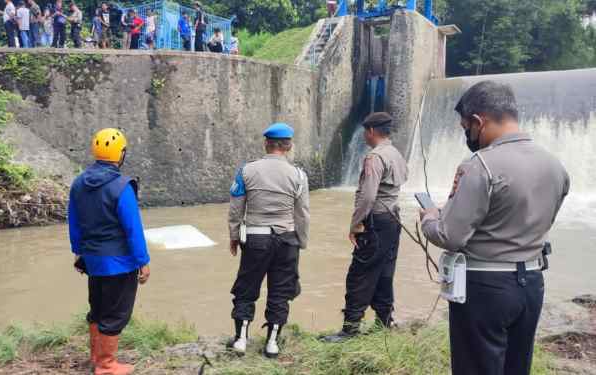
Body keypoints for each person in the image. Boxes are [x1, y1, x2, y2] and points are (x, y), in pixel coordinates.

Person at [420, 81, 570, 375]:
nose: (467, 135)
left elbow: (450, 235)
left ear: (479, 121)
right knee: (516, 367)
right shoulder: (555, 166)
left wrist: (429, 216)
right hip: (532, 284)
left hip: (485, 288)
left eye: (466, 128)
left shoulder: (480, 165)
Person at [320, 112, 408, 343]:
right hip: (393, 220)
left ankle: (349, 330)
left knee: (359, 275)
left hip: (376, 222)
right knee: (384, 274)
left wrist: (355, 224)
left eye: (364, 132)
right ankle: (384, 322)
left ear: (371, 131)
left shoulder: (375, 157)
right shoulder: (396, 154)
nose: (363, 136)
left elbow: (368, 197)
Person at [69, 128, 151, 375]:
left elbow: (74, 220)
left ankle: (96, 358)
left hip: (93, 259)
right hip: (119, 262)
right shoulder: (121, 186)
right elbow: (132, 228)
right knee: (116, 314)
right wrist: (143, 261)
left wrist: (78, 252)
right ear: (121, 154)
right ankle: (106, 366)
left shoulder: (78, 183)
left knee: (98, 308)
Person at [228, 123, 310, 358]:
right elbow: (302, 213)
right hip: (287, 240)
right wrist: (301, 242)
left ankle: (241, 339)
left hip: (255, 239)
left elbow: (236, 209)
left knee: (246, 288)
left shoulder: (246, 171)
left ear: (266, 144)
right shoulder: (299, 175)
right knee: (280, 292)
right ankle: (272, 343)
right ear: (289, 146)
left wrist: (234, 236)